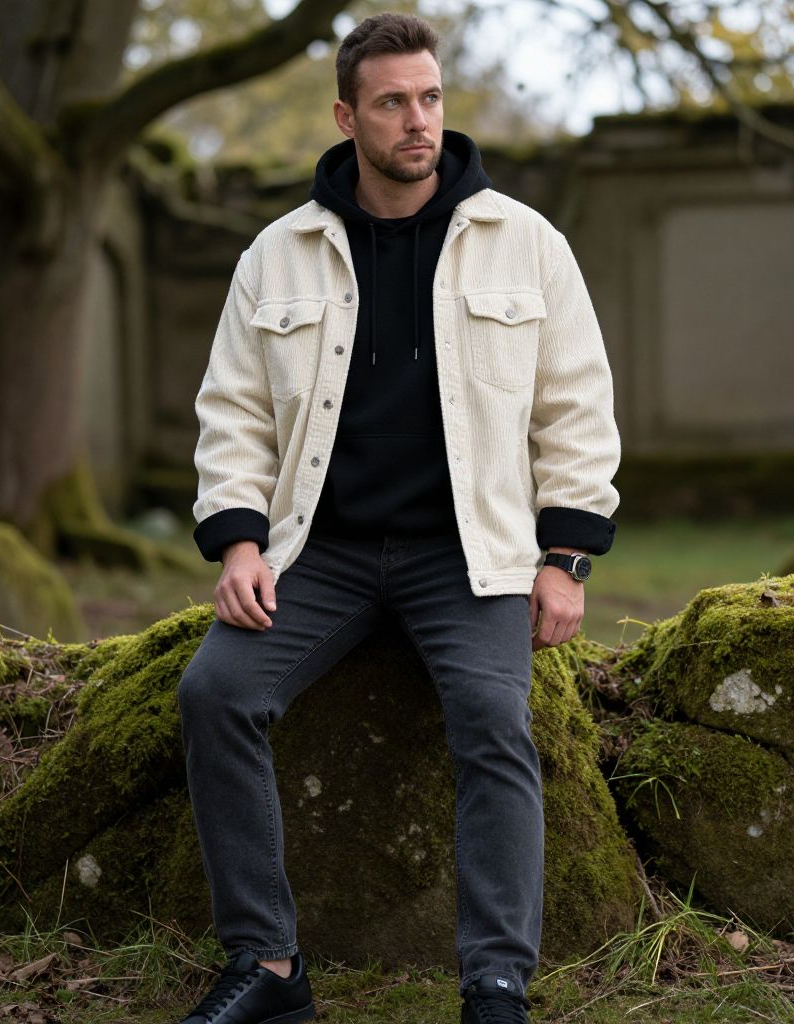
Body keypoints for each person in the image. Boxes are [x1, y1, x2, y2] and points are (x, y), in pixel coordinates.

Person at [175, 12, 620, 1024]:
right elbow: (232, 412)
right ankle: (268, 964)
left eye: (429, 98)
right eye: (391, 103)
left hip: (468, 555)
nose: (418, 120)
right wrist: (239, 541)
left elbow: (576, 407)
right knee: (215, 694)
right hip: (317, 552)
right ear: (347, 116)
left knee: (494, 720)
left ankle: (495, 981)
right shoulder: (277, 255)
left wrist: (566, 557)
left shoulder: (525, 244)